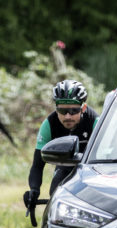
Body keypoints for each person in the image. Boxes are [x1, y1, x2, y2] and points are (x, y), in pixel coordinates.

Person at [25, 80, 98, 217]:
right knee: (56, 189)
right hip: (64, 166)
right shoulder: (49, 124)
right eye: (62, 111)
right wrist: (34, 190)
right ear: (56, 108)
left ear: (83, 108)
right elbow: (37, 165)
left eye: (73, 110)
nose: (68, 116)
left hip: (91, 168)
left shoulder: (95, 121)